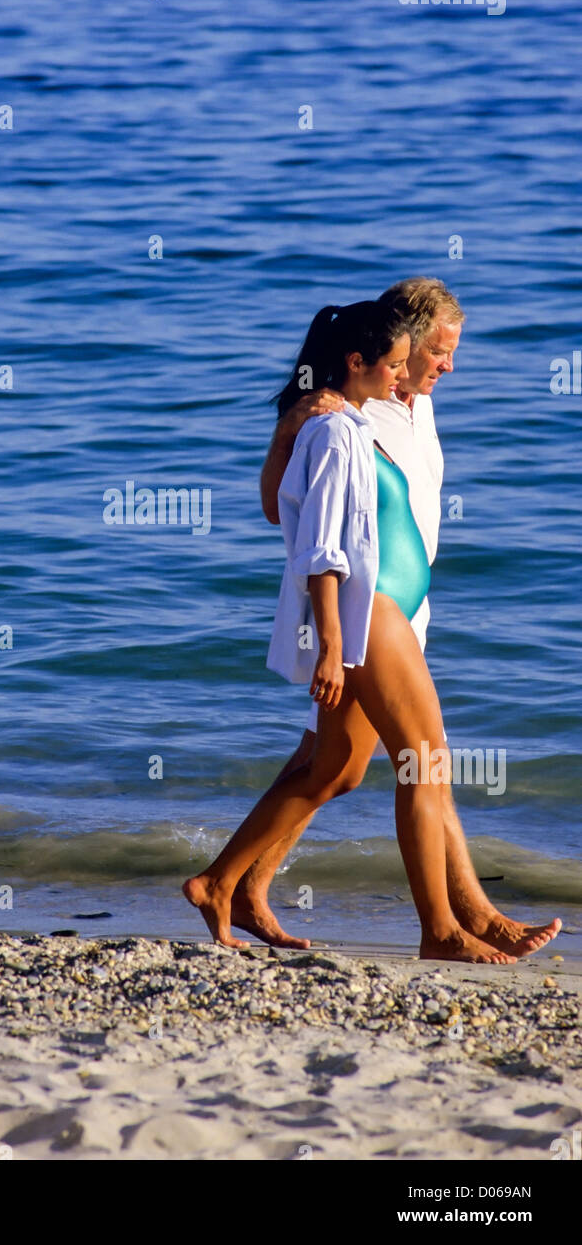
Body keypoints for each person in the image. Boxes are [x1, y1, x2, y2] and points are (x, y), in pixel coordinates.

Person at [184, 300, 554, 962]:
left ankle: (220, 882)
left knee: (336, 770)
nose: (416, 369)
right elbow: (320, 548)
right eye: (406, 358)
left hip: (397, 613)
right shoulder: (333, 426)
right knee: (425, 761)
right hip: (371, 612)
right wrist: (331, 643)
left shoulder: (362, 414)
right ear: (366, 360)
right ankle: (442, 931)